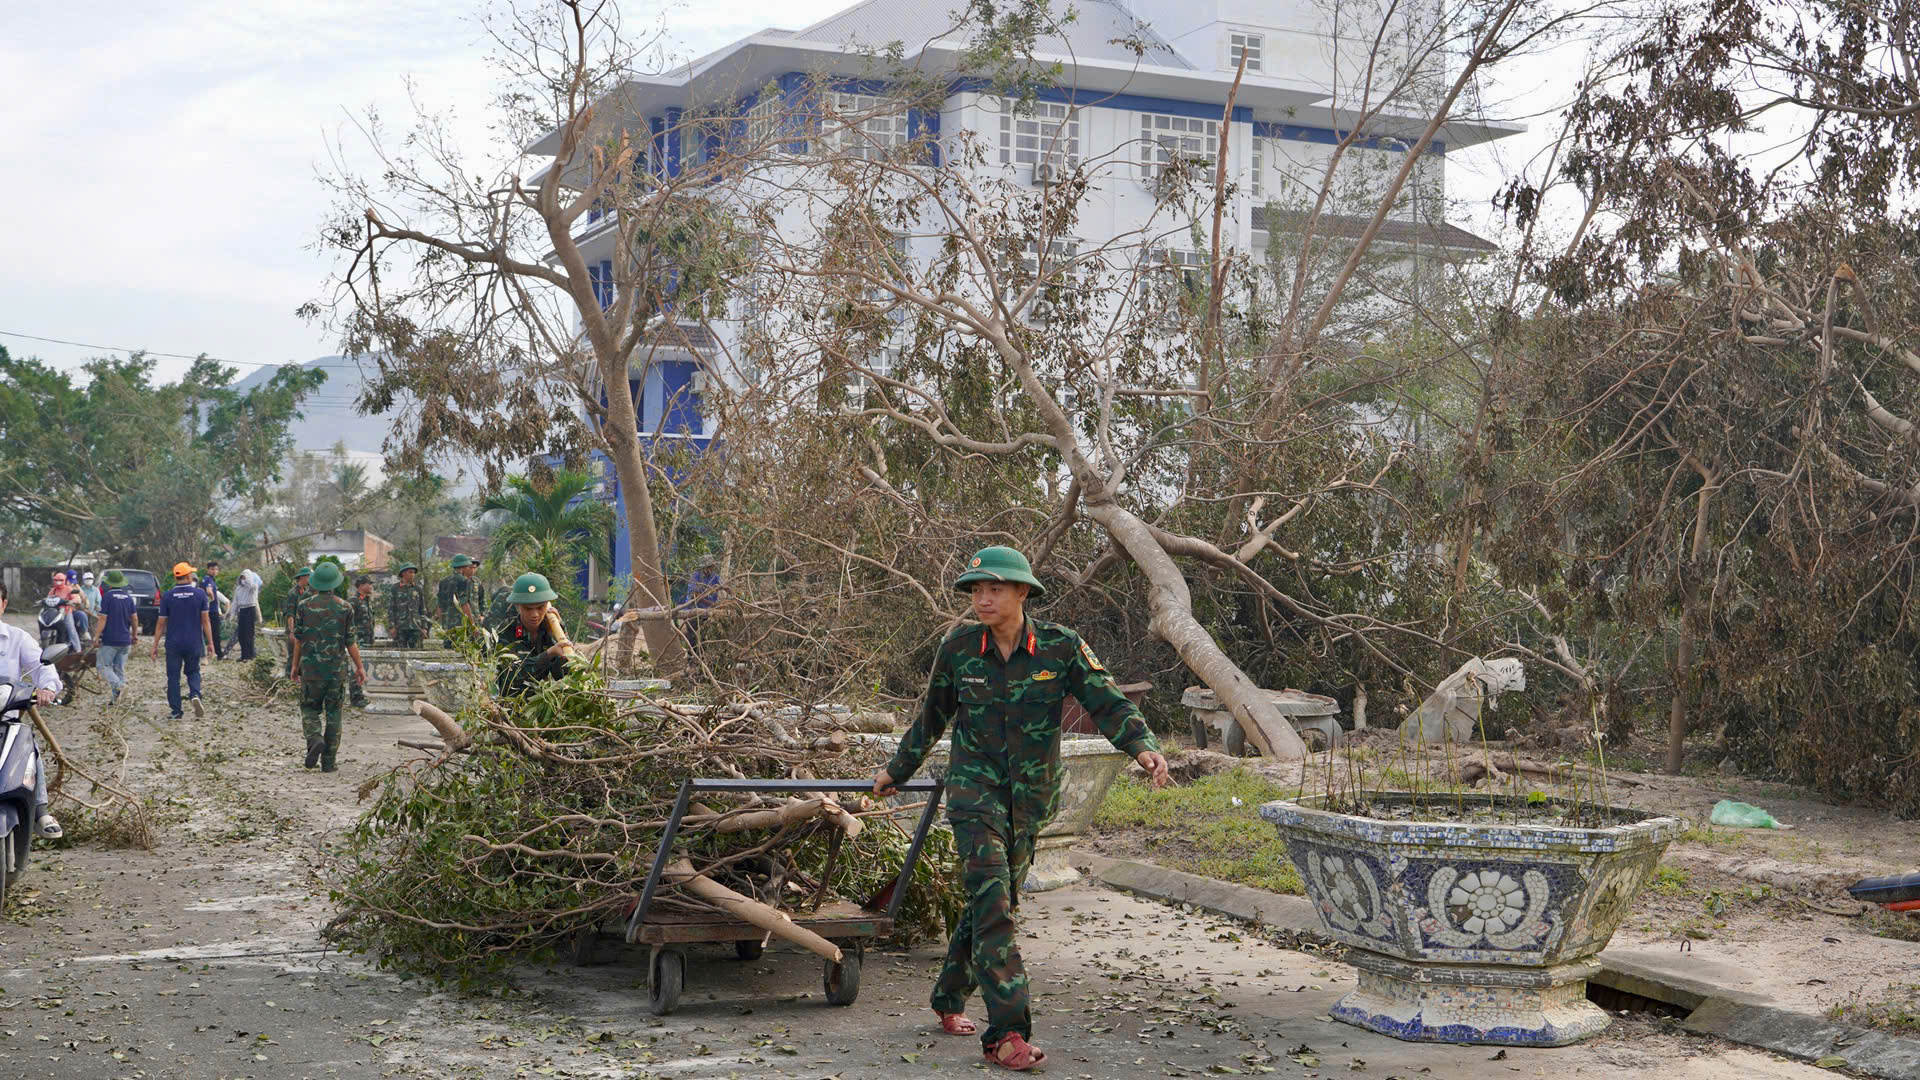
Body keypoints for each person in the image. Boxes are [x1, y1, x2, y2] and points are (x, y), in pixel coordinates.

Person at [872, 546, 1170, 1072]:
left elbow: (1106, 701)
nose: (982, 599)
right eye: (975, 591)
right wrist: (896, 771)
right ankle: (1006, 1032)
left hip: (1031, 798)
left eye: (994, 590)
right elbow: (931, 718)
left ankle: (946, 998)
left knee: (994, 901)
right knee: (994, 903)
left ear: (1023, 593)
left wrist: (1141, 747)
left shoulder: (1060, 647)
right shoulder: (959, 648)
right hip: (974, 792)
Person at [0, 582, 63, 839]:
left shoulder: (16, 638)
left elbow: (42, 666)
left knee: (29, 747)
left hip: (6, 719)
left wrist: (47, 688)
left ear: (3, 604)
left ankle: (40, 810)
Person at [290, 562, 365, 771]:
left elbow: (298, 639)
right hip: (336, 671)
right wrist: (359, 667)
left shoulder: (304, 606)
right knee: (334, 714)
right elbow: (350, 642)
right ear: (335, 583)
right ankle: (329, 763)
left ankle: (314, 738)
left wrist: (295, 666)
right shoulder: (345, 607)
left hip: (311, 670)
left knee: (308, 708)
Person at [493, 573, 575, 696]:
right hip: (512, 707)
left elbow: (564, 675)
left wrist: (557, 633)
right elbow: (511, 676)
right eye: (528, 609)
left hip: (546, 703)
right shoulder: (506, 632)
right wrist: (548, 654)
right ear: (517, 607)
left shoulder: (553, 629)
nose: (535, 614)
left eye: (540, 607)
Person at [152, 562, 212, 720]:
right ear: (187, 576)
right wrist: (211, 643)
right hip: (193, 642)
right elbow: (205, 621)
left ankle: (176, 711)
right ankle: (195, 694)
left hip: (173, 643)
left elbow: (161, 624)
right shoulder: (200, 594)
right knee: (193, 671)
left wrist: (155, 645)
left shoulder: (167, 596)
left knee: (173, 677)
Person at [95, 570, 140, 706]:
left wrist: (96, 636)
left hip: (110, 639)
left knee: (103, 667)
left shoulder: (108, 597)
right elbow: (135, 618)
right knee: (118, 668)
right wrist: (135, 635)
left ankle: (120, 686)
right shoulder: (128, 598)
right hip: (125, 640)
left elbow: (103, 618)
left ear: (109, 584)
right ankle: (117, 699)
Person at [437, 554, 479, 643]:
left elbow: (439, 607)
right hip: (460, 626)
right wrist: (473, 625)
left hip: (447, 626)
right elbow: (464, 604)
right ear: (464, 568)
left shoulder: (443, 582)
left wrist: (443, 624)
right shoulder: (463, 581)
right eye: (468, 567)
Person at [348, 576, 375, 709]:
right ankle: (356, 697)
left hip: (367, 639)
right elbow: (348, 621)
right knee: (355, 668)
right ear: (360, 586)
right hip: (358, 640)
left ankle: (362, 694)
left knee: (363, 667)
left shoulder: (367, 601)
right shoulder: (354, 601)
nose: (370, 586)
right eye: (368, 584)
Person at [388, 564, 427, 648]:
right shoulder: (395, 588)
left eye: (414, 573)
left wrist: (424, 627)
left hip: (416, 627)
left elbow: (422, 608)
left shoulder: (418, 589)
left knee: (417, 653)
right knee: (400, 653)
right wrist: (392, 626)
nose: (413, 574)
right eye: (410, 572)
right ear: (403, 574)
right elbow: (391, 608)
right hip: (400, 627)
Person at [228, 566, 263, 660]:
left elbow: (252, 585)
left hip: (250, 609)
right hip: (241, 610)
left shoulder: (252, 587)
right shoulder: (238, 589)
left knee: (249, 634)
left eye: (245, 577)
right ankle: (244, 655)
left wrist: (248, 577)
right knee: (241, 635)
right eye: (242, 577)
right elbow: (235, 602)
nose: (243, 579)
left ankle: (250, 655)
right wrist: (232, 614)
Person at [281, 566, 311, 676]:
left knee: (302, 656)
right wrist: (292, 631)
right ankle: (288, 679)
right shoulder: (293, 593)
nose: (310, 579)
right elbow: (290, 613)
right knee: (293, 655)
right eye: (308, 577)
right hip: (294, 629)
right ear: (302, 578)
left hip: (303, 629)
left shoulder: (306, 592)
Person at [199, 561, 227, 660]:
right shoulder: (208, 580)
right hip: (211, 610)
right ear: (208, 570)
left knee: (203, 632)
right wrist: (212, 599)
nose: (214, 571)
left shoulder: (205, 579)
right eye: (212, 569)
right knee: (215, 632)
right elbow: (209, 591)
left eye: (216, 569)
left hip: (206, 610)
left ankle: (205, 652)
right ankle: (219, 654)